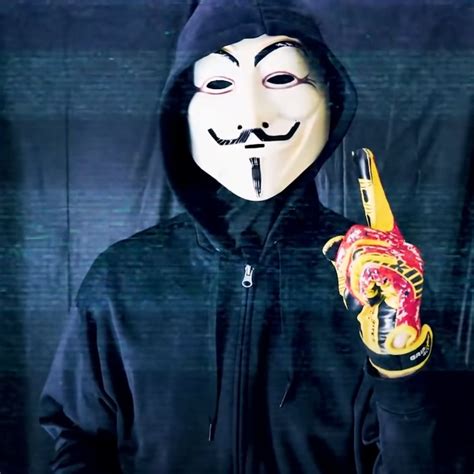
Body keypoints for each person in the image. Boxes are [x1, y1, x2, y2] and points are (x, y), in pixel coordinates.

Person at [40, 1, 440, 472]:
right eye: (218, 84)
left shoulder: (373, 280)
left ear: (329, 97)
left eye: (281, 78)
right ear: (181, 107)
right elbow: (79, 438)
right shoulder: (122, 279)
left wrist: (400, 367)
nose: (252, 118)